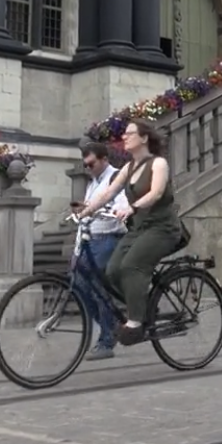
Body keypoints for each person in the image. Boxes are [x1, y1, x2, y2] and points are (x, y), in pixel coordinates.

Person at [75, 119, 182, 346]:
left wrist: (132, 207)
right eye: (124, 134)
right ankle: (140, 304)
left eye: (130, 133)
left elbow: (156, 192)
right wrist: (87, 210)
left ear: (143, 138)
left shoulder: (158, 164)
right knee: (113, 271)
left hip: (162, 228)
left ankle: (135, 321)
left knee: (131, 265)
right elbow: (108, 194)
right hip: (140, 228)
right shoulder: (129, 167)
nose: (124, 137)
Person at [71, 142, 130, 360]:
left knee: (97, 286)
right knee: (76, 283)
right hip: (89, 238)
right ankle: (112, 325)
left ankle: (107, 339)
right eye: (85, 165)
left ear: (104, 159)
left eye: (91, 164)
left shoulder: (115, 177)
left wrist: (104, 210)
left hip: (108, 237)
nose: (88, 168)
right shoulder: (93, 181)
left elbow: (120, 205)